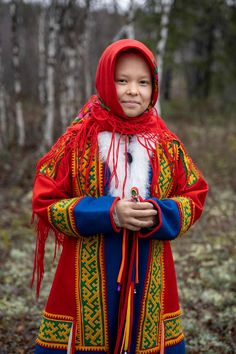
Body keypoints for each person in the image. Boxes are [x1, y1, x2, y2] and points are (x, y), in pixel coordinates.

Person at [32, 39, 208, 354]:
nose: (132, 90)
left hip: (150, 275)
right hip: (84, 282)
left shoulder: (166, 144)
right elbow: (45, 201)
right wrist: (108, 213)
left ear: (153, 87)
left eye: (143, 82)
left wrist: (159, 213)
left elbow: (195, 194)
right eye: (122, 80)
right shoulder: (78, 139)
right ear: (104, 81)